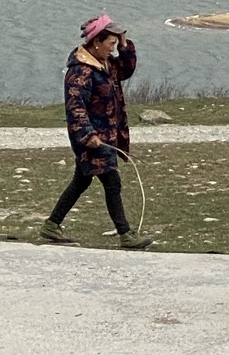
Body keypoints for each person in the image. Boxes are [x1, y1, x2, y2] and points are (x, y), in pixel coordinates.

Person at [39, 14, 154, 249]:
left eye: (114, 45)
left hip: (106, 135)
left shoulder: (106, 63)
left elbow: (126, 70)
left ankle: (51, 225)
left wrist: (125, 45)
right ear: (96, 42)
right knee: (112, 181)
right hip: (92, 138)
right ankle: (126, 235)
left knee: (81, 181)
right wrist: (88, 135)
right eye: (111, 44)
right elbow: (75, 106)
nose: (112, 49)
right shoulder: (81, 71)